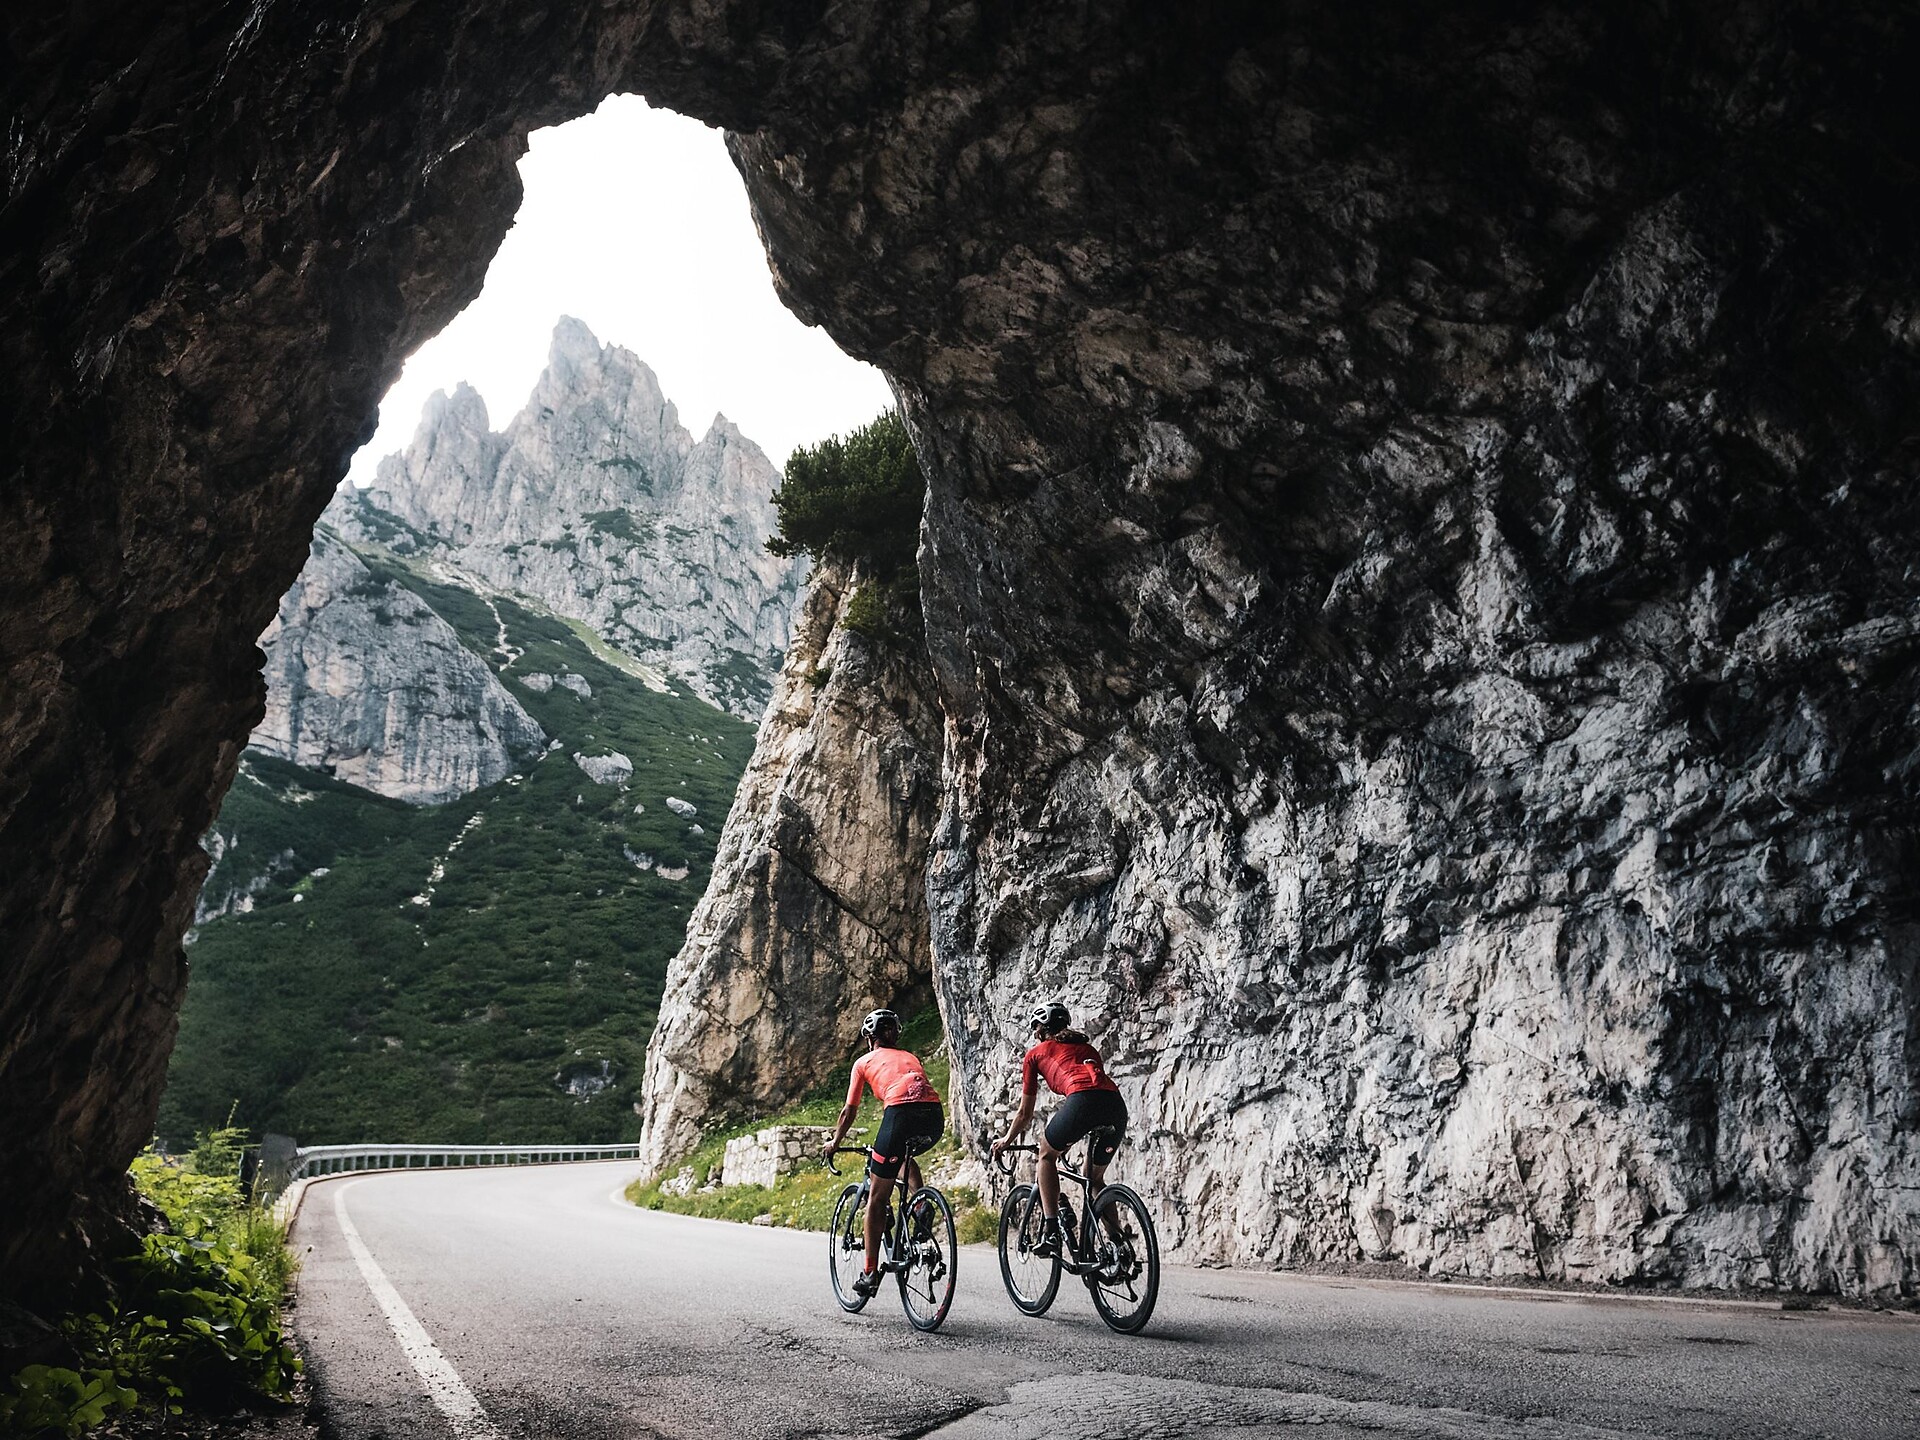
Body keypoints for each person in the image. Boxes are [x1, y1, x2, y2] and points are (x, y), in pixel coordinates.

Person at [990, 999, 1127, 1257]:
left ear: (1041, 1031)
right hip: (1115, 1106)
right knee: (1094, 1178)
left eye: (1035, 1030)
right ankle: (1118, 1248)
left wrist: (1007, 1140)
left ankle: (1051, 1230)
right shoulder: (1087, 1048)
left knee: (1046, 1155)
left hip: (1081, 1102)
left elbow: (1025, 1113)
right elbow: (1095, 1092)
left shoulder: (1035, 1055)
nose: (1034, 1035)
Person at [823, 1007, 944, 1298]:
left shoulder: (863, 1062)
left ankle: (869, 1274)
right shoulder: (910, 1057)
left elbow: (849, 1110)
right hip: (934, 1115)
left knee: (876, 1199)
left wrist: (835, 1143)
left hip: (899, 1114)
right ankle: (920, 1203)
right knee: (905, 1157)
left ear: (869, 1038)